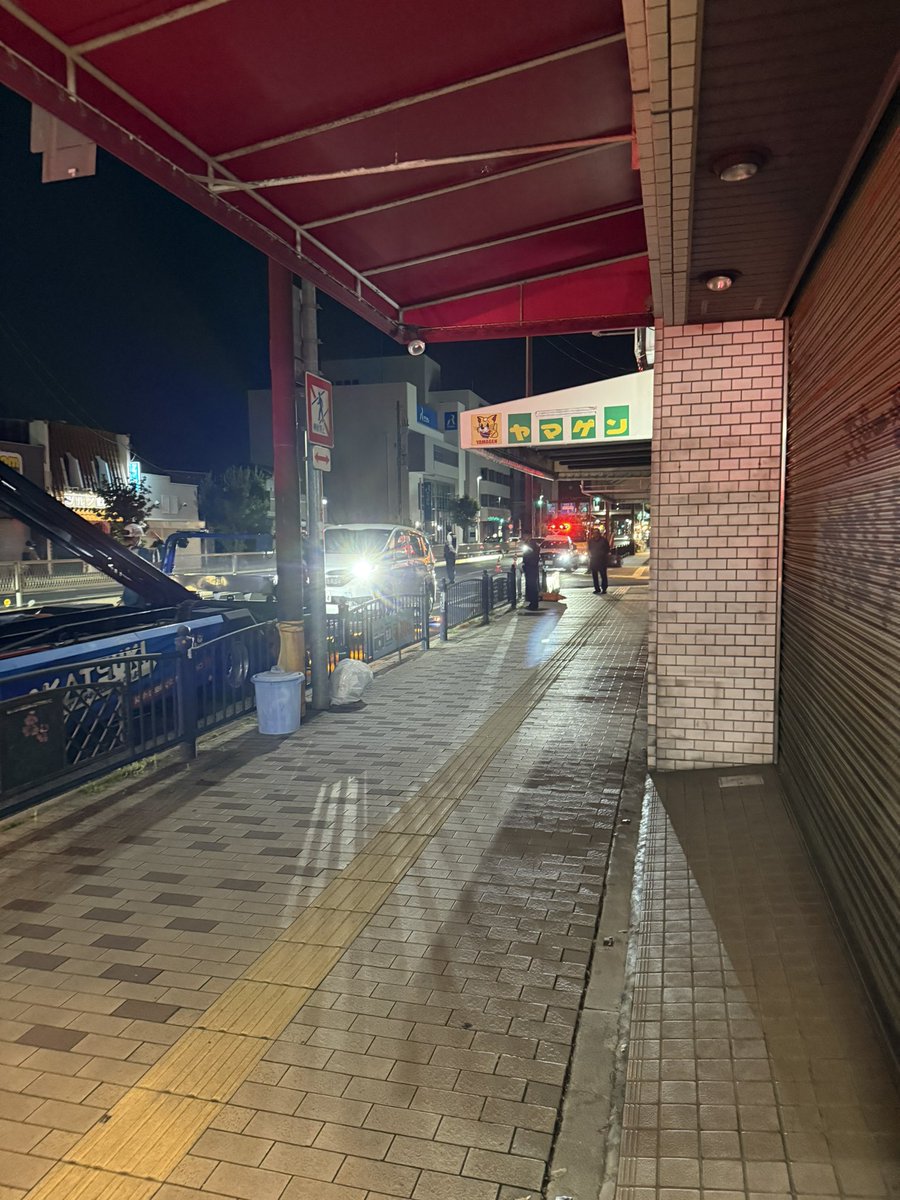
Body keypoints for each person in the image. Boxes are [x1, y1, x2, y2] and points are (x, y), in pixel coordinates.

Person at [521, 537, 541, 610]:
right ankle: (533, 603)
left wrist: (525, 564)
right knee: (532, 586)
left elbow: (527, 557)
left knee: (532, 586)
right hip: (532, 568)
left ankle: (533, 604)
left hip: (530, 568)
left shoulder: (531, 547)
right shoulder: (535, 546)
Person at [588, 529, 610, 594]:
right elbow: (589, 549)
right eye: (594, 533)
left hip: (602, 560)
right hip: (594, 560)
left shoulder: (603, 540)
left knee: (603, 575)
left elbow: (607, 549)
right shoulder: (591, 541)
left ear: (599, 533)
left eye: (596, 533)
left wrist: (604, 554)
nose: (595, 534)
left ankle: (604, 588)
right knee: (594, 575)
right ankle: (597, 589)